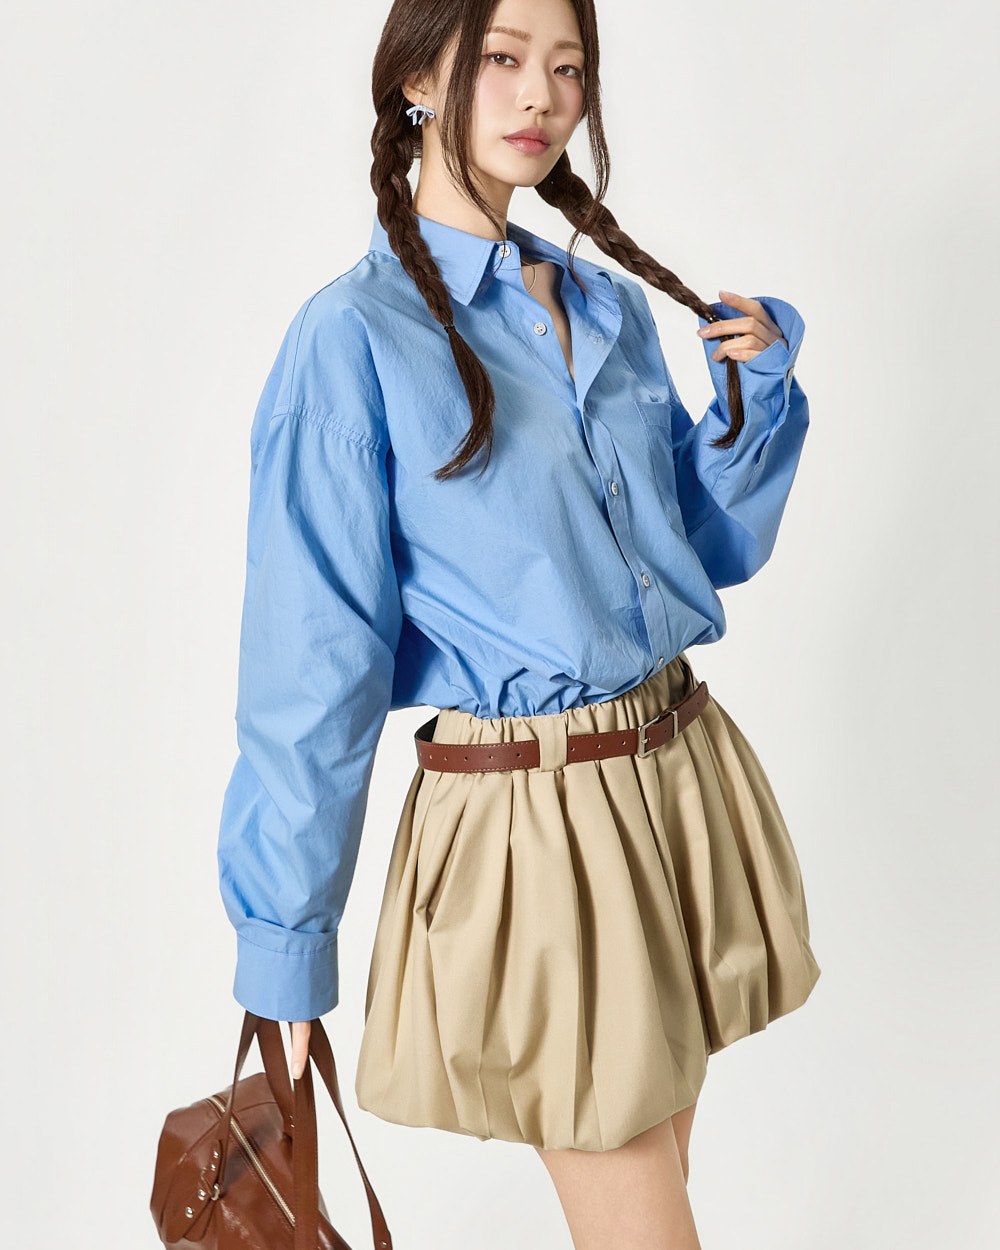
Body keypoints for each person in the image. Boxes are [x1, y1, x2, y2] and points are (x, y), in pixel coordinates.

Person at [215, 0, 821, 1245]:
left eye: (567, 66)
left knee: (649, 1209)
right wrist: (284, 937)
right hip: (530, 824)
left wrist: (752, 403)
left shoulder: (598, 305)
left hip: (677, 773)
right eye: (500, 58)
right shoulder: (354, 338)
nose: (540, 94)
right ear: (416, 80)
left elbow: (690, 557)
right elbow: (312, 665)